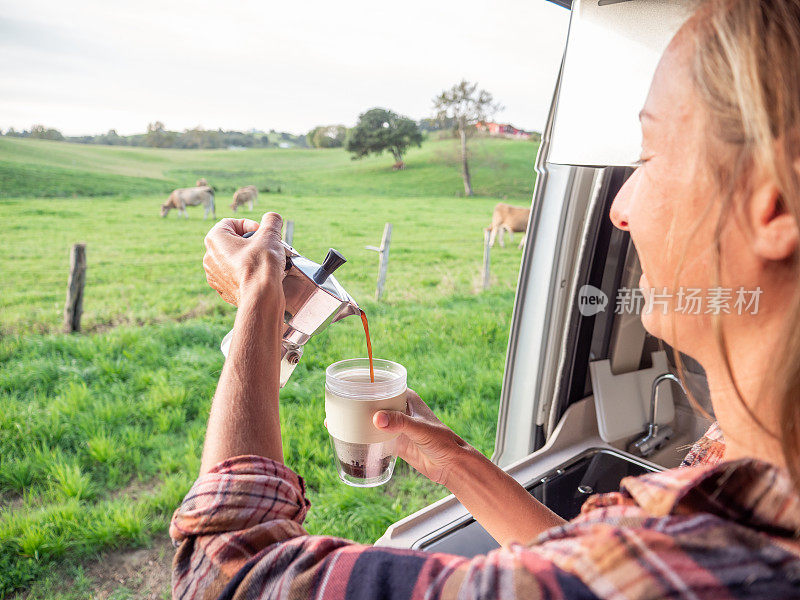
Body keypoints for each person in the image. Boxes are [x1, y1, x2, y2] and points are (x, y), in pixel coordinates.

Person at [171, 1, 800, 597]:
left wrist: (259, 300)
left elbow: (225, 576)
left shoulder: (710, 550)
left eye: (648, 158)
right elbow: (590, 565)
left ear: (772, 201)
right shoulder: (749, 456)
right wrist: (454, 457)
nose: (618, 207)